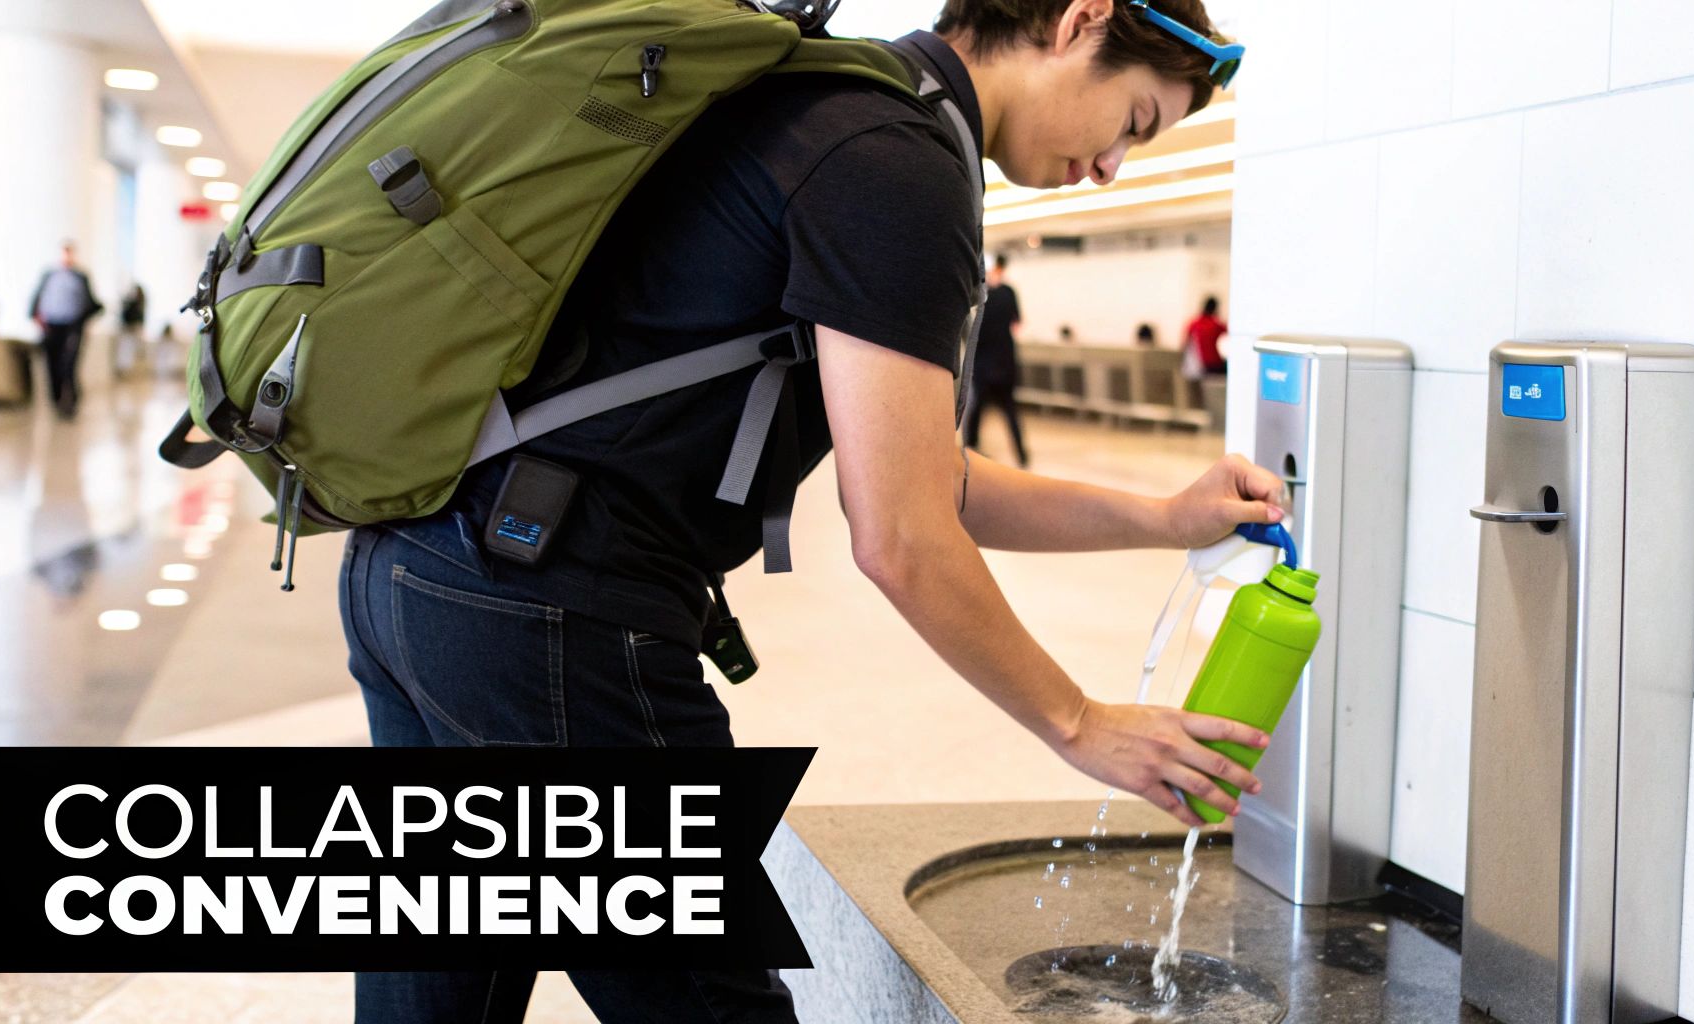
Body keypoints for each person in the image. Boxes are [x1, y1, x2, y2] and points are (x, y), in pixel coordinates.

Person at [338, 1, 1273, 1021]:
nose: (1111, 168)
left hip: (421, 565)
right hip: (548, 610)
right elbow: (901, 537)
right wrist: (1081, 723)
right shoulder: (897, 163)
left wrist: (1164, 517)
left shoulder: (836, 107)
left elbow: (933, 480)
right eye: (1133, 120)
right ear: (1079, 20)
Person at [962, 252, 1030, 467]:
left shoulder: (981, 296)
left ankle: (969, 451)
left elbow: (972, 331)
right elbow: (1017, 322)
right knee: (1009, 410)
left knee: (977, 410)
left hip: (984, 363)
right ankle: (1022, 455)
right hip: (1005, 362)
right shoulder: (1008, 292)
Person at [28, 241, 102, 419]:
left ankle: (71, 402)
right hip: (52, 326)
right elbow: (36, 300)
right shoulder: (49, 275)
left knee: (69, 366)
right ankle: (55, 401)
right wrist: (37, 318)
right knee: (52, 365)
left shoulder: (80, 277)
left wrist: (83, 322)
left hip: (72, 327)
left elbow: (92, 304)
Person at [1183, 294, 1227, 376]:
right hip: (1215, 364)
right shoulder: (1216, 325)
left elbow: (1184, 343)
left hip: (1200, 364)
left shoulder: (1194, 323)